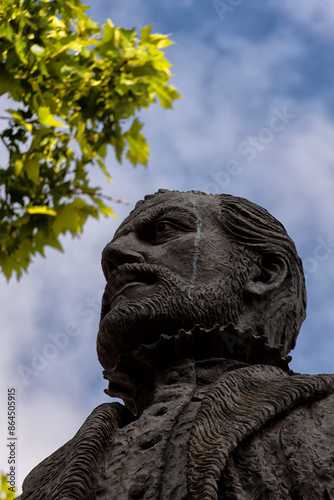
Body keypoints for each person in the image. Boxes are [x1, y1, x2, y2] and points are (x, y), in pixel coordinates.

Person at [21, 190, 334, 500]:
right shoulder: (56, 469)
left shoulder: (324, 417)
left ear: (263, 273)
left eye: (163, 230)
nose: (113, 253)